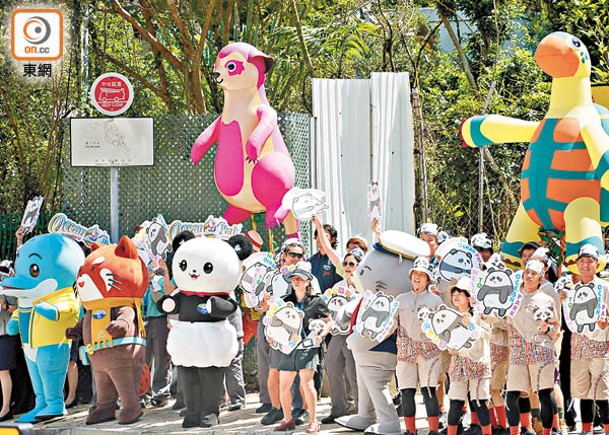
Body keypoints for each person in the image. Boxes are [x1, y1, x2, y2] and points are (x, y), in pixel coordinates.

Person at [505, 259, 561, 435]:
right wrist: (484, 313)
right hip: (518, 349)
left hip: (541, 348)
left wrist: (548, 328)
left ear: (541, 278)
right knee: (512, 394)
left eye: (534, 274)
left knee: (544, 393)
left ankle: (548, 431)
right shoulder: (512, 297)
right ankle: (515, 432)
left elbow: (556, 329)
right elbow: (498, 319)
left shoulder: (547, 299)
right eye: (527, 272)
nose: (529, 276)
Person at [275, 263, 332, 433]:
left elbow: (329, 321)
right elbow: (276, 322)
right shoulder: (285, 301)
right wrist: (272, 335)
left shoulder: (316, 301)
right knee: (283, 386)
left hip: (307, 347)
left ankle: (314, 421)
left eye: (300, 278)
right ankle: (287, 419)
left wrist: (321, 335)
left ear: (308, 281)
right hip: (287, 348)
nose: (296, 281)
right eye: (293, 278)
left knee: (307, 384)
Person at [560, 245, 609, 435]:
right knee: (583, 392)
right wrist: (564, 300)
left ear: (597, 264)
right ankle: (586, 431)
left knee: (602, 393)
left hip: (599, 346)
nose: (586, 265)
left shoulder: (605, 287)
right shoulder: (573, 289)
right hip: (578, 347)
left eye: (590, 261)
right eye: (582, 261)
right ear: (576, 264)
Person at [259, 238, 306, 425]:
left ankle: (300, 410)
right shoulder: (274, 278)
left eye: (299, 255)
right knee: (274, 372)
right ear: (284, 256)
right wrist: (264, 305)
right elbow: (264, 307)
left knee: (299, 375)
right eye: (292, 254)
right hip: (277, 334)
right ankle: (276, 408)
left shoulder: (308, 277)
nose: (295, 258)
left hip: (299, 333)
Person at [396, 256, 443, 435]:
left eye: (422, 275)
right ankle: (410, 431)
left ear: (428, 279)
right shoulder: (400, 299)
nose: (417, 277)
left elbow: (442, 326)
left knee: (429, 390)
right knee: (406, 391)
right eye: (415, 273)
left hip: (429, 350)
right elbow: (392, 324)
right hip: (405, 349)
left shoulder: (436, 301)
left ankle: (433, 430)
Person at [446, 277, 493, 435]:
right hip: (458, 362)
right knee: (455, 402)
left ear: (469, 297)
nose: (456, 295)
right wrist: (450, 348)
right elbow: (448, 339)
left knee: (479, 402)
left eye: (460, 293)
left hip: (478, 362)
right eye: (454, 292)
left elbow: (487, 335)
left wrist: (471, 324)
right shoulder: (450, 315)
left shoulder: (480, 314)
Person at [321, 248, 363, 424]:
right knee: (332, 366)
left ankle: (362, 411)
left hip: (356, 333)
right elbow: (327, 306)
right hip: (338, 333)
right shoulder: (337, 287)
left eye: (351, 264)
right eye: (345, 264)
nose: (347, 267)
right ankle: (338, 410)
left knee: (353, 372)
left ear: (359, 266)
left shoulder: (364, 285)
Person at [142, 259, 173, 408]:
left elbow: (160, 301)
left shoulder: (160, 280)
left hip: (159, 320)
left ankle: (161, 393)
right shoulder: (139, 283)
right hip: (144, 321)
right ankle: (142, 394)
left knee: (162, 358)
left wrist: (152, 281)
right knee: (143, 359)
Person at [0, 260, 18, 421]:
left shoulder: (6, 286)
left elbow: (15, 308)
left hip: (5, 333)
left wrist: (2, 303)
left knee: (3, 371)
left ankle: (6, 408)